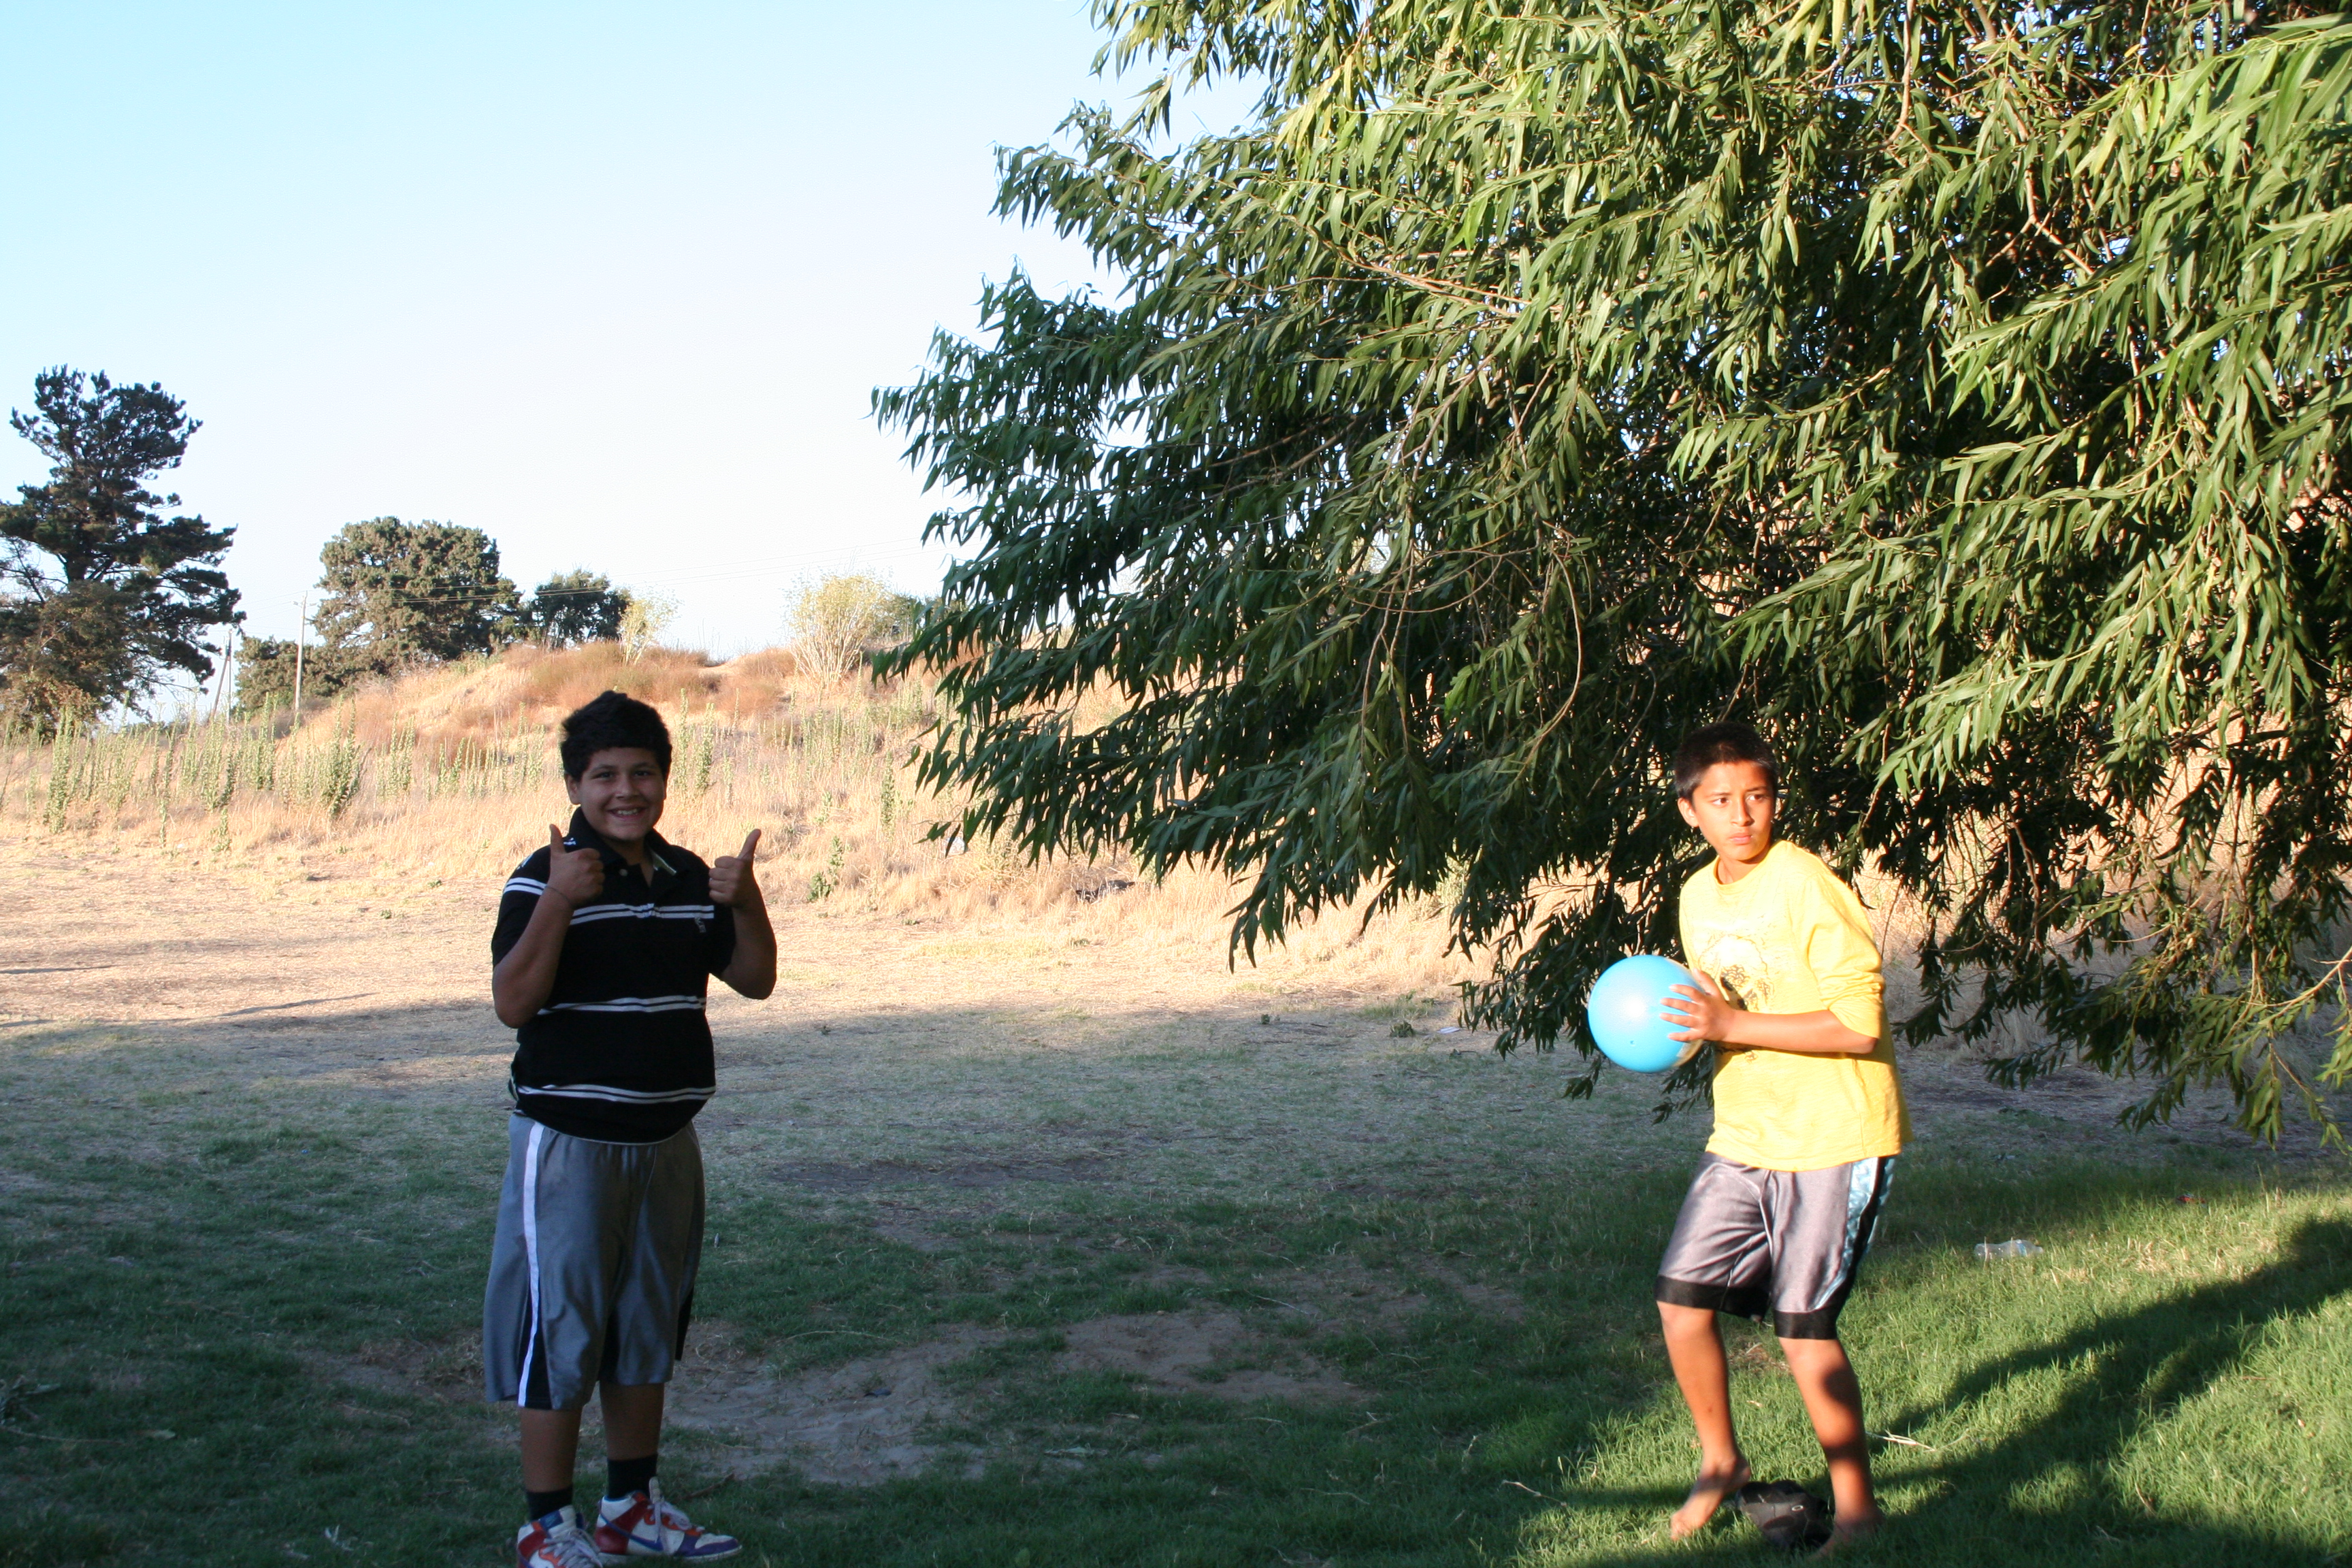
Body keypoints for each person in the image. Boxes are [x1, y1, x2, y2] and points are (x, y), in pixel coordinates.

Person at [483, 690, 777, 1567]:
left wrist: (747, 901)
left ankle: (629, 1509)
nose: (625, 791)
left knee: (645, 1328)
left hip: (667, 1144)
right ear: (575, 785)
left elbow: (755, 980)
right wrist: (559, 902)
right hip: (568, 1145)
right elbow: (512, 1003)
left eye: (642, 773)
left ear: (665, 781)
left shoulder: (689, 878)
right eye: (604, 775)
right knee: (560, 1329)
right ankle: (546, 1527)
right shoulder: (541, 878)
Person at [1652, 719, 1907, 1552]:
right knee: (1681, 1301)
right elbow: (1718, 1005)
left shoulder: (1805, 884)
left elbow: (1858, 1026)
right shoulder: (1696, 895)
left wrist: (1729, 1022)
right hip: (1746, 1133)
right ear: (1689, 809)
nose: (1742, 815)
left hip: (1836, 1135)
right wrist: (1678, 1024)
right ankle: (1721, 1461)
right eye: (1721, 800)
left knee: (1804, 1329)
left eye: (1757, 797)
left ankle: (1859, 1515)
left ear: (1775, 801)